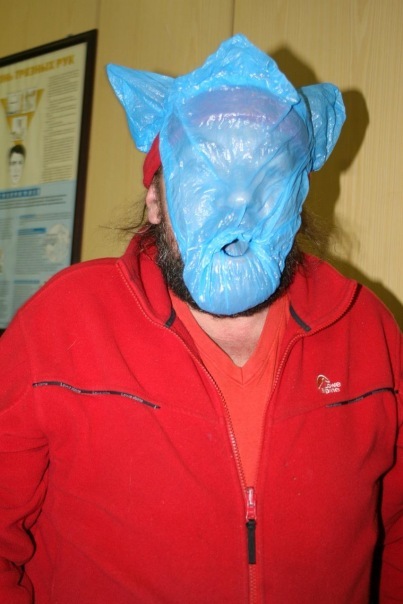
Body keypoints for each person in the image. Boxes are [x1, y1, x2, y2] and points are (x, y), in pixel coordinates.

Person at [0, 34, 401, 604]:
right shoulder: (62, 325)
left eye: (268, 179)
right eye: (206, 177)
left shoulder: (367, 331)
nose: (238, 208)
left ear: (299, 197)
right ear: (155, 200)